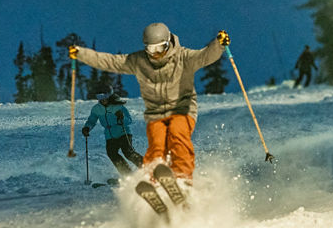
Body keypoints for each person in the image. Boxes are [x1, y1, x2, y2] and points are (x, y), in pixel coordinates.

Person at [69, 22, 228, 183]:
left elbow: (205, 56)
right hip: (156, 114)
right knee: (156, 148)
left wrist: (218, 45)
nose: (156, 53)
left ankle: (183, 179)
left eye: (161, 47)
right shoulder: (139, 61)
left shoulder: (183, 57)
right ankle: (154, 182)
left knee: (178, 137)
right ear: (146, 47)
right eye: (152, 49)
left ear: (168, 42)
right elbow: (110, 61)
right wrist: (82, 54)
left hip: (182, 110)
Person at [82, 85, 143, 176]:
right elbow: (92, 120)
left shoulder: (118, 106)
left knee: (128, 152)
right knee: (112, 154)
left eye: (104, 96)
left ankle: (147, 167)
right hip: (110, 135)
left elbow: (129, 120)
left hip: (123, 132)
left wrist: (121, 117)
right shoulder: (96, 109)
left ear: (109, 96)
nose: (102, 99)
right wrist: (87, 128)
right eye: (99, 97)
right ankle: (128, 174)